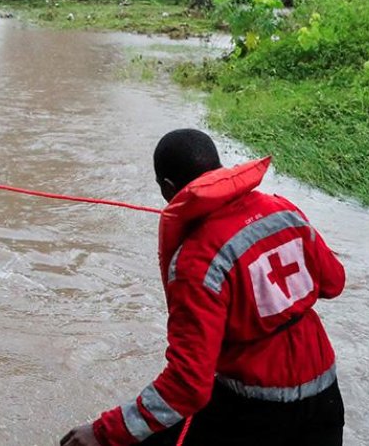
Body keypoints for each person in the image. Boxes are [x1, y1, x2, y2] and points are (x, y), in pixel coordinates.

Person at [61, 129, 346, 446]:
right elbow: (334, 282)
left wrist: (102, 432)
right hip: (325, 396)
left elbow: (188, 386)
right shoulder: (284, 211)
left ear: (168, 189)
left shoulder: (196, 260)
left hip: (254, 409)